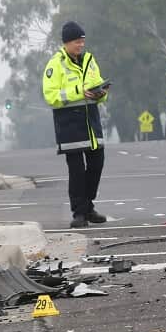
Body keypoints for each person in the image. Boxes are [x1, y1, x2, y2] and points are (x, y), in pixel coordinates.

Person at [42, 21, 109, 229]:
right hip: (70, 125)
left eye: (83, 41)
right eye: (77, 42)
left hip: (91, 122)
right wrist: (79, 92)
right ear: (67, 43)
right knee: (77, 171)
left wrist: (101, 94)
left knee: (97, 164)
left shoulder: (90, 60)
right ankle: (79, 213)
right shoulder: (56, 63)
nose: (81, 45)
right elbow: (51, 96)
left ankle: (87, 206)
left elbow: (96, 84)